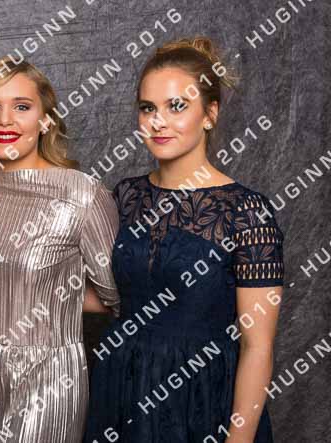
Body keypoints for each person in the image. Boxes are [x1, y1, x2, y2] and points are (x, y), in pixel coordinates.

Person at [84, 37, 284, 443]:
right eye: (148, 108)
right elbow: (108, 296)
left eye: (176, 106)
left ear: (210, 114)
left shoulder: (248, 212)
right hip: (121, 391)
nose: (158, 122)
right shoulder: (125, 196)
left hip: (201, 399)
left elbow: (258, 347)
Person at [0, 56, 120, 442]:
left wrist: (50, 297)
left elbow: (117, 297)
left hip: (46, 379)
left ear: (46, 120)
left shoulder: (81, 194)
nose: (5, 120)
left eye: (22, 107)